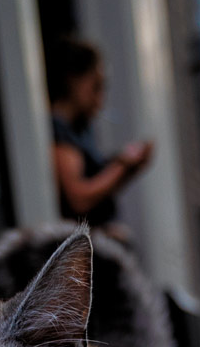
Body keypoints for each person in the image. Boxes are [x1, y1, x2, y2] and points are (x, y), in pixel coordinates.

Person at [48, 37, 151, 234]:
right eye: (95, 86)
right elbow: (78, 197)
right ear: (73, 80)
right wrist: (121, 168)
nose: (100, 99)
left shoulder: (78, 129)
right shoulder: (59, 130)